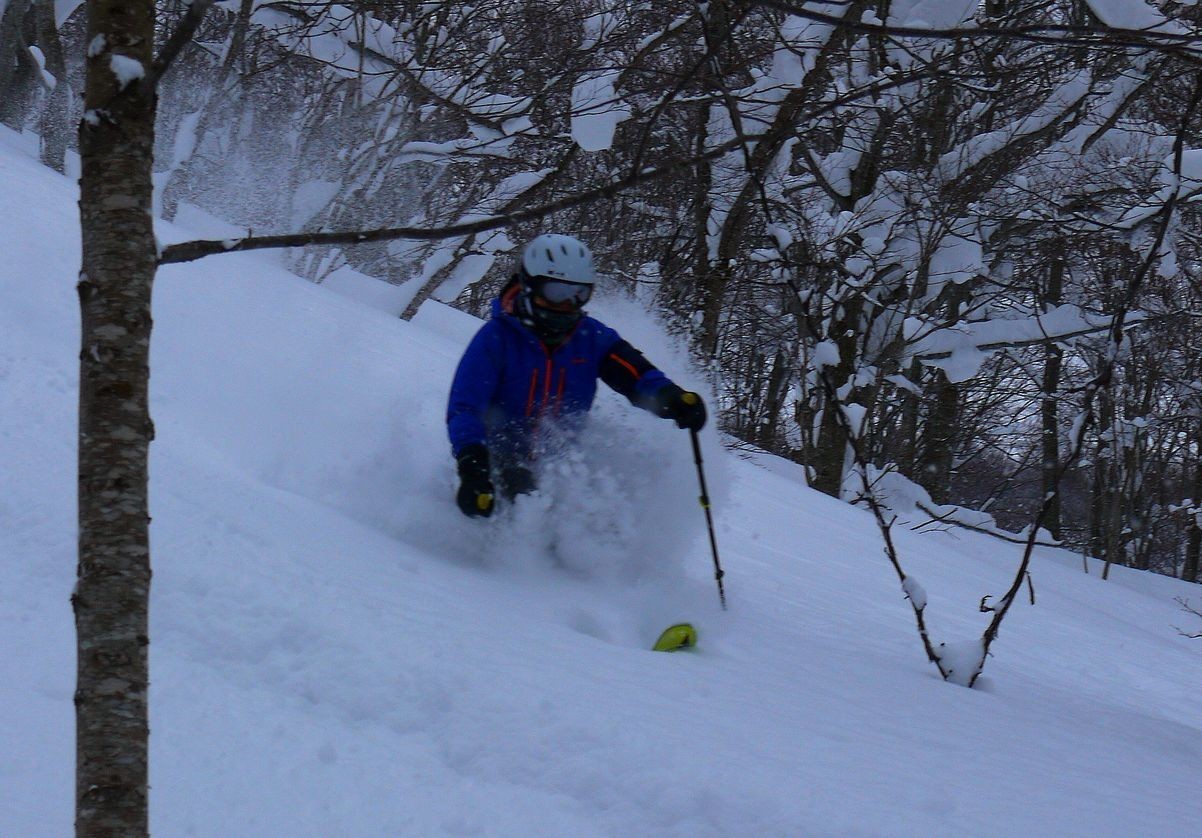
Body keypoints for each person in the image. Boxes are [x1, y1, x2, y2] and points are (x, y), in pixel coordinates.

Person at [446, 233, 707, 518]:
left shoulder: (590, 337)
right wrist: (472, 465)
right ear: (530, 285)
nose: (567, 305)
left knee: (603, 509)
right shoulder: (497, 339)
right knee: (522, 496)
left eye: (579, 294)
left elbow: (637, 375)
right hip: (498, 456)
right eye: (557, 292)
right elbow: (465, 407)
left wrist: (672, 397)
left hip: (561, 464)